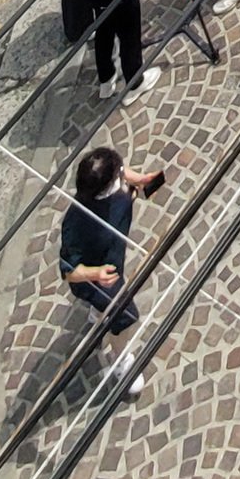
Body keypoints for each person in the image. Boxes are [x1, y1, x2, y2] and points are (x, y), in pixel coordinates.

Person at [60, 147, 164, 396]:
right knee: (125, 315)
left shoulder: (113, 185)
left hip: (113, 262)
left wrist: (137, 178)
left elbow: (119, 170)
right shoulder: (77, 222)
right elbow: (69, 271)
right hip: (100, 280)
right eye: (117, 178)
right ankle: (121, 360)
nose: (121, 178)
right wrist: (95, 274)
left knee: (107, 309)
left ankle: (98, 313)